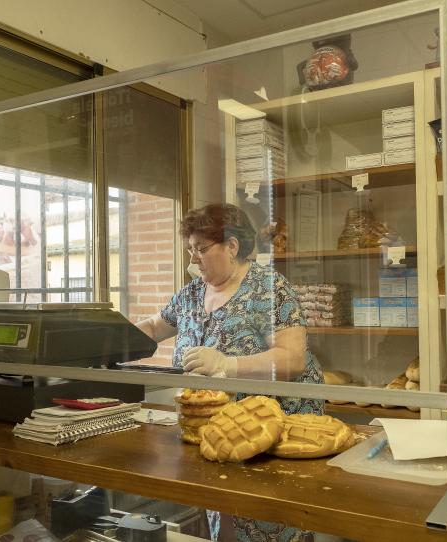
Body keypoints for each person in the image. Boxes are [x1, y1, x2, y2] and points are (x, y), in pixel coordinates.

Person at [137, 202, 324, 542]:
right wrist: (105, 336)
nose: (193, 259)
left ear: (232, 247)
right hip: (215, 434)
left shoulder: (268, 289)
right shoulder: (192, 294)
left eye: (201, 249)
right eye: (190, 250)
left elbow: (293, 358)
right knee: (222, 519)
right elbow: (154, 326)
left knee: (268, 523)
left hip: (267, 438)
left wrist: (228, 365)